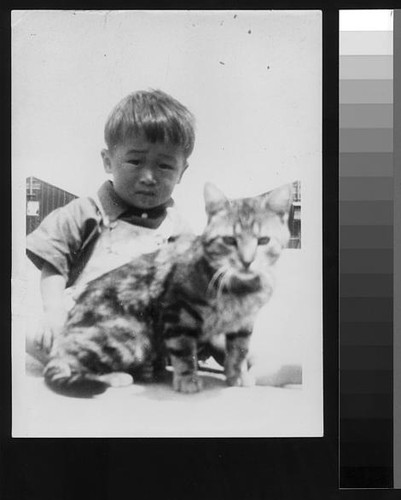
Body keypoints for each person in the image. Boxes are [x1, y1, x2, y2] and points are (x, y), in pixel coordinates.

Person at [26, 89, 195, 365]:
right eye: (135, 161)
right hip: (84, 322)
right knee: (32, 336)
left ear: (182, 172)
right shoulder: (87, 212)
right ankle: (83, 360)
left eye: (164, 166)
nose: (149, 176)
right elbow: (54, 264)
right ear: (108, 161)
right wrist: (53, 311)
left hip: (141, 330)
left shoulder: (178, 228)